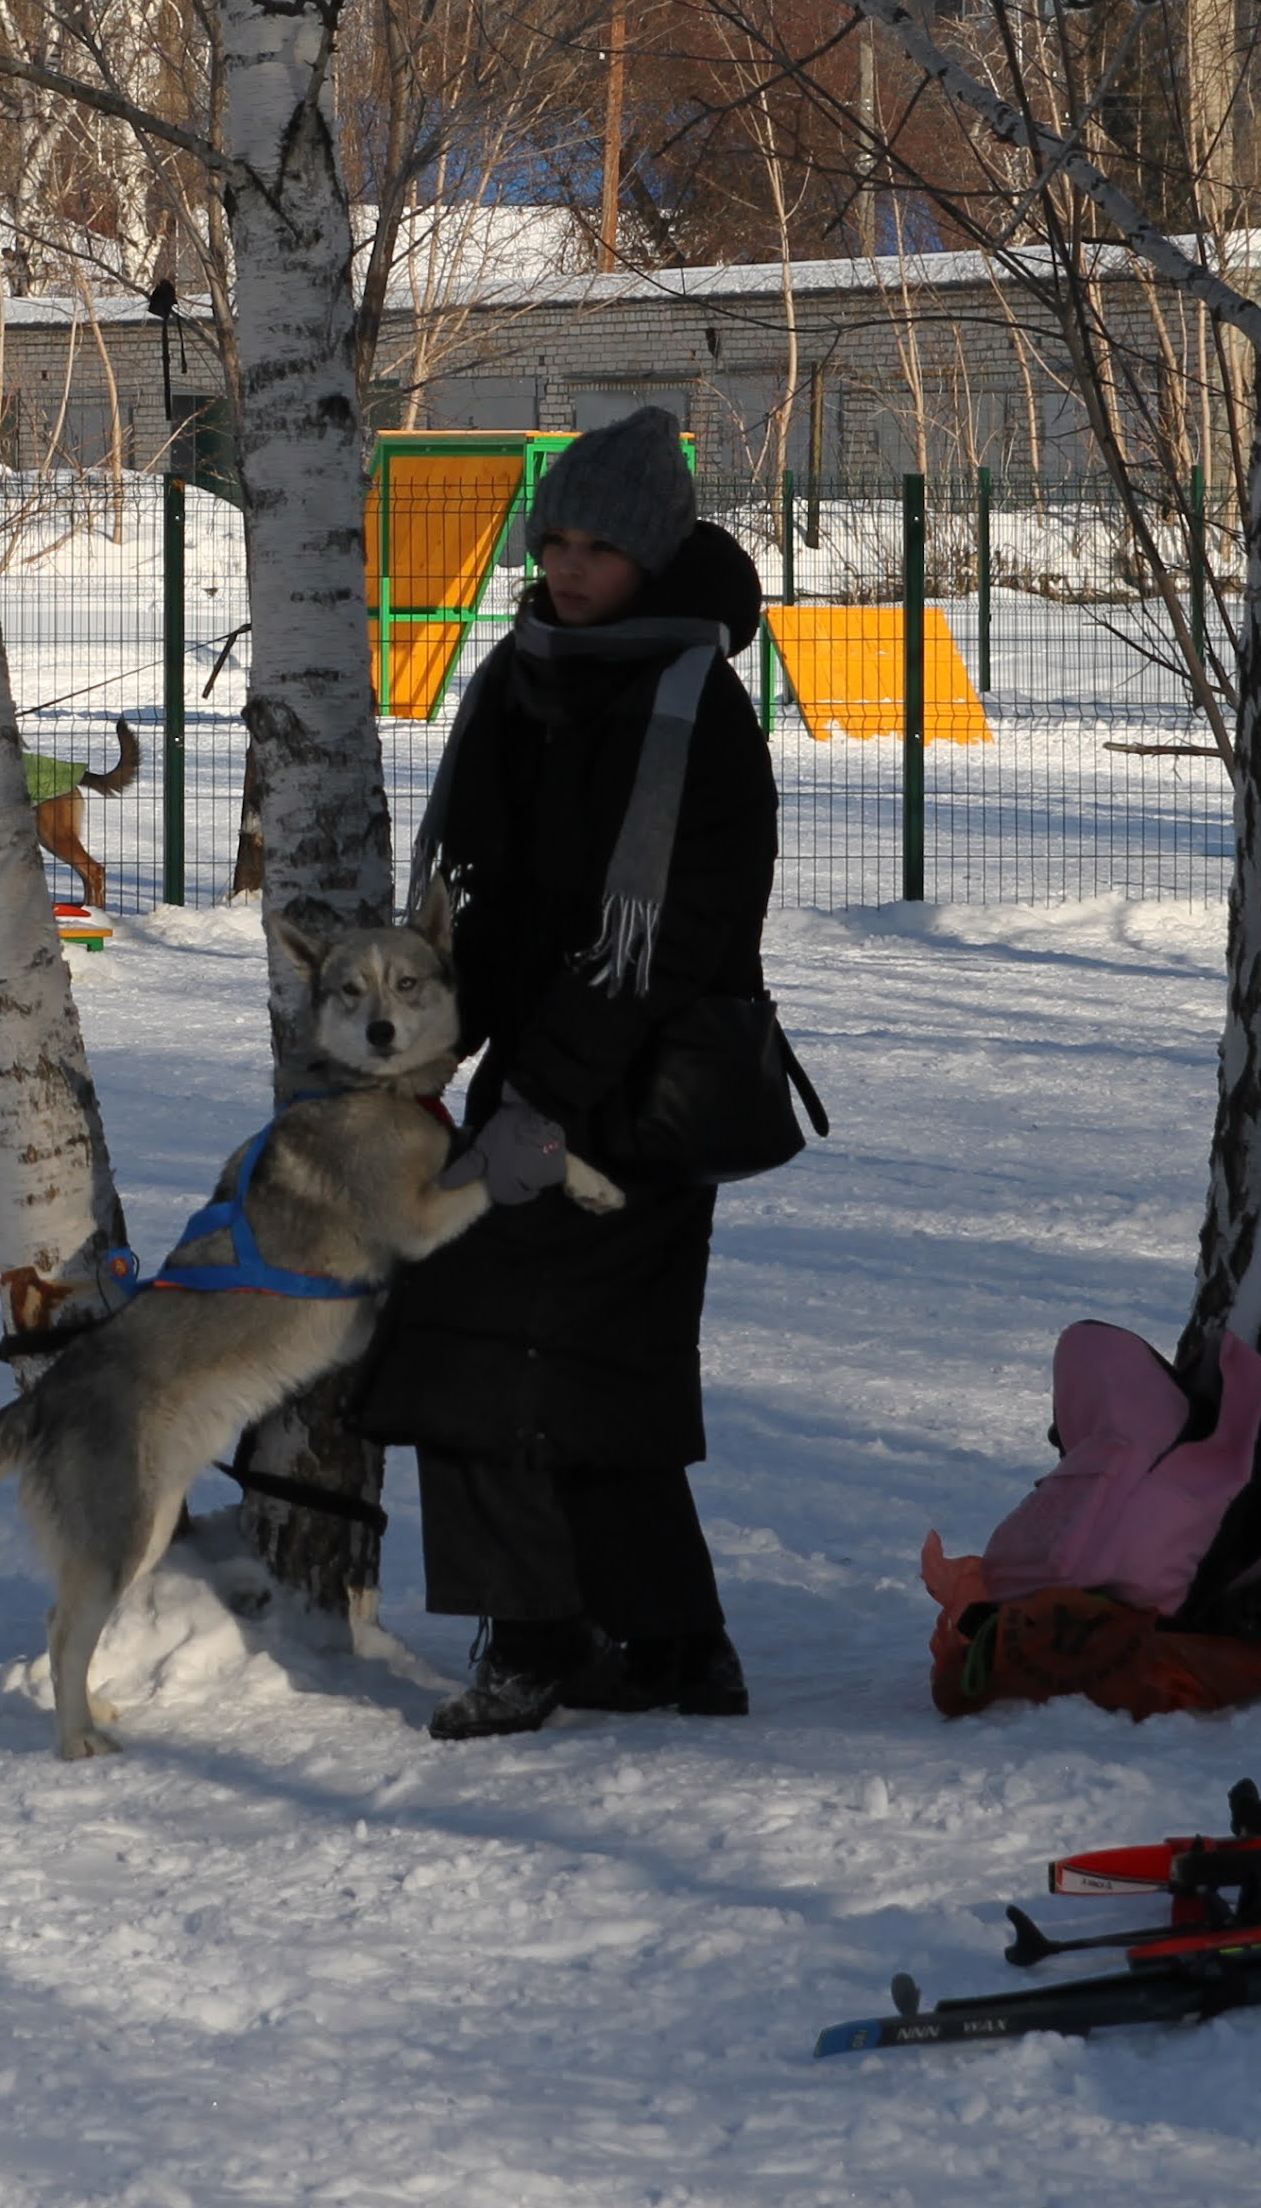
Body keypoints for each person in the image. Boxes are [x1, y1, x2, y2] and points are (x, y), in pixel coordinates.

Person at [355, 405, 778, 1739]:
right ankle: (676, 1646)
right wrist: (433, 1042)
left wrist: (539, 1093)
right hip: (547, 1079)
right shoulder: (522, 680)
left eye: (599, 547)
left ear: (653, 555)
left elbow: (670, 940)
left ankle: (535, 1642)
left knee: (470, 1340)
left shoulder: (696, 705)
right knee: (604, 1372)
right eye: (554, 544)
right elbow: (487, 908)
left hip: (644, 1099)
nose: (569, 569)